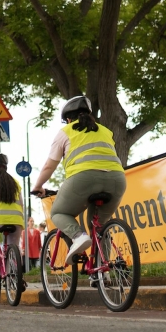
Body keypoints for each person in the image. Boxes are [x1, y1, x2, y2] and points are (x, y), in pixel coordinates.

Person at [31, 95, 126, 265]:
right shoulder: (105, 131)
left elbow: (48, 166)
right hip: (117, 179)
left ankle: (78, 236)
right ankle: (101, 272)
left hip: (83, 178)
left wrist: (38, 186)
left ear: (68, 118)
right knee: (99, 226)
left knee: (59, 213)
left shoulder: (66, 131)